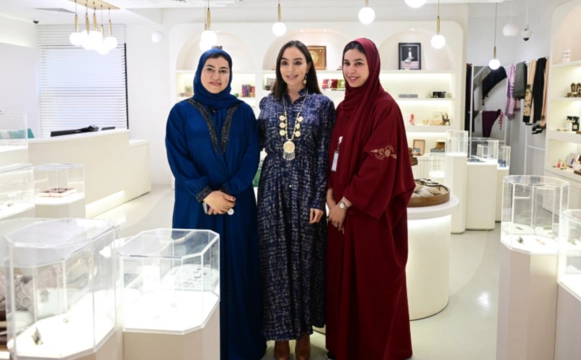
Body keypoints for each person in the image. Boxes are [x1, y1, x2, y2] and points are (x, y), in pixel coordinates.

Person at [166, 48, 266, 360]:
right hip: (195, 207)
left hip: (237, 207)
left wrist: (229, 193)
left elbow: (251, 156)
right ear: (199, 72)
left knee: (237, 270)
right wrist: (206, 194)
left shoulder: (244, 112)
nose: (216, 76)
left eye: (223, 70)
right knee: (197, 270)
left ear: (231, 75)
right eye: (210, 68)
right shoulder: (180, 113)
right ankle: (199, 345)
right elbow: (178, 158)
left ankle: (239, 344)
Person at [325, 38, 415, 360]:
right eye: (347, 63)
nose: (351, 70)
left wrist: (345, 204)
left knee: (370, 284)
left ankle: (373, 351)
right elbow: (333, 155)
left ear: (373, 66)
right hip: (340, 214)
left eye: (359, 63)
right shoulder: (343, 108)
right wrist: (330, 196)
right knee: (343, 283)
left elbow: (378, 165)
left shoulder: (384, 107)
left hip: (368, 216)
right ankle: (345, 347)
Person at [257, 40, 336, 360]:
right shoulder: (266, 103)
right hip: (272, 187)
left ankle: (303, 332)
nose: (291, 69)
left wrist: (319, 199)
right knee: (274, 262)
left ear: (308, 67)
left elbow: (324, 154)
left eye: (298, 62)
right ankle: (280, 335)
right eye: (285, 62)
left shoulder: (322, 104)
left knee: (306, 263)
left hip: (306, 187)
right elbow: (255, 145)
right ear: (278, 67)